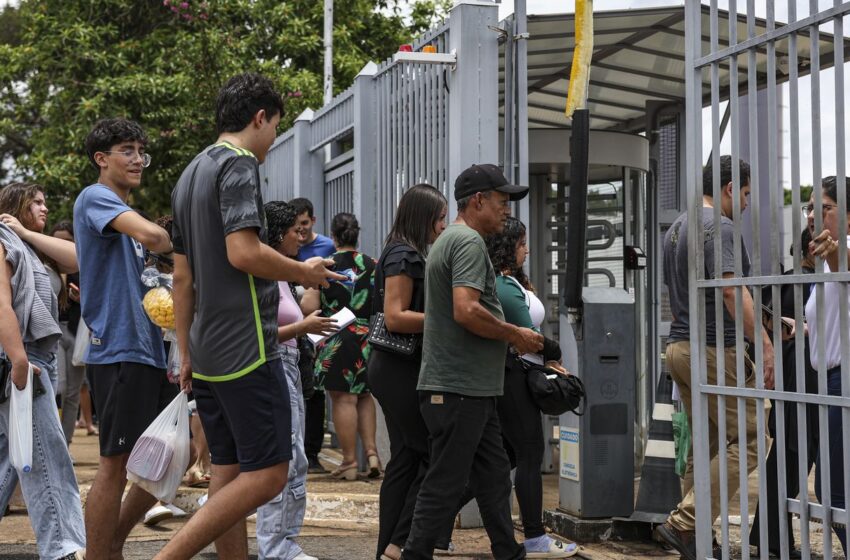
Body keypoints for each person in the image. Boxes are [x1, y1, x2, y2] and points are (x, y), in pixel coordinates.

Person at [162, 73, 341, 559]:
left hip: (207, 350)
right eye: (276, 127)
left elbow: (182, 279)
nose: (274, 139)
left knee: (229, 471)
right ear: (260, 118)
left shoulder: (190, 173)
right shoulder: (237, 163)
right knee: (269, 474)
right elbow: (243, 252)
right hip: (249, 347)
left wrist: (186, 352)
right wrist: (304, 272)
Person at [400, 163, 543, 560]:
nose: (506, 210)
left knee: (494, 477)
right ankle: (413, 554)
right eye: (501, 202)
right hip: (458, 388)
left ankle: (508, 552)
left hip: (471, 389)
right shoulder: (467, 242)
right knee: (444, 483)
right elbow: (466, 310)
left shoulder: (452, 238)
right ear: (478, 200)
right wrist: (515, 334)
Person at [655, 155, 775, 560]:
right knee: (754, 438)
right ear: (729, 188)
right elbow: (729, 290)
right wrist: (763, 343)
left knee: (705, 445)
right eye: (745, 193)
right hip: (712, 349)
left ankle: (696, 537)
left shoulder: (677, 227)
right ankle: (685, 521)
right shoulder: (719, 227)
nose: (746, 203)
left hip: (679, 347)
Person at [74, 117, 176, 559]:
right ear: (102, 159)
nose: (138, 160)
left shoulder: (119, 216)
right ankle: (100, 553)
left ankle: (112, 542)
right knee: (114, 465)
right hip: (118, 350)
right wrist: (177, 240)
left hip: (149, 350)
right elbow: (155, 235)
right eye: (127, 151)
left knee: (170, 456)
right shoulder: (96, 197)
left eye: (141, 152)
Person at [0, 181, 85, 560]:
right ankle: (62, 548)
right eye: (36, 202)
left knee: (11, 459)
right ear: (15, 205)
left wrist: (26, 232)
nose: (44, 208)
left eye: (45, 202)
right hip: (22, 356)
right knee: (47, 459)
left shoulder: (30, 245)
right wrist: (19, 360)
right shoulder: (4, 241)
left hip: (35, 357)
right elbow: (1, 303)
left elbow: (79, 258)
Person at [485, 217, 577, 559]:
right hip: (515, 378)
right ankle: (535, 538)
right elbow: (528, 337)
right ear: (507, 247)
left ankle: (435, 525)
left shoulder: (510, 281)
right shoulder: (503, 284)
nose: (527, 250)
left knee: (504, 457)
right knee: (529, 452)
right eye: (522, 244)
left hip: (518, 374)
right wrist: (553, 354)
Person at [367, 184, 448, 560]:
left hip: (393, 367)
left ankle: (389, 548)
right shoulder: (404, 255)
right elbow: (396, 317)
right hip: (398, 368)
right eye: (440, 218)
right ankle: (399, 542)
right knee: (433, 452)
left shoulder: (400, 251)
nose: (443, 226)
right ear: (423, 218)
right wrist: (445, 320)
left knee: (405, 458)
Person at [256, 200, 339, 560]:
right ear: (277, 235)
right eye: (295, 230)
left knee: (296, 457)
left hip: (289, 365)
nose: (301, 236)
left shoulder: (281, 273)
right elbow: (258, 333)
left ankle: (285, 541)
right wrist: (304, 327)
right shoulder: (263, 273)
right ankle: (275, 546)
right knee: (285, 458)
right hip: (276, 365)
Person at [750, 229, 818, 558]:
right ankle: (772, 538)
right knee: (792, 459)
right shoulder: (806, 283)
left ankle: (770, 537)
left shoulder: (784, 283)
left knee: (789, 458)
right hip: (804, 381)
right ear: (811, 248)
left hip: (791, 380)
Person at [302, 212, 381, 481]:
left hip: (336, 335)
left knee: (343, 399)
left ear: (334, 237)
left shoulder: (324, 265)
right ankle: (372, 453)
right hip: (365, 336)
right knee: (364, 395)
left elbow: (310, 306)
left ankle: (349, 461)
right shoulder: (373, 264)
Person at [805, 176, 849, 556]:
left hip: (843, 381)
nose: (812, 214)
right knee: (834, 489)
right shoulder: (821, 264)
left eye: (824, 208)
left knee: (833, 490)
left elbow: (845, 265)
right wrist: (799, 328)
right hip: (827, 380)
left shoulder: (840, 254)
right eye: (809, 207)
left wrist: (834, 254)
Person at [290, 197, 335, 474]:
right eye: (296, 227)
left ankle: (312, 451)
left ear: (313, 221)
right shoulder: (285, 249)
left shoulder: (327, 247)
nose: (301, 232)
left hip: (316, 326)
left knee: (315, 391)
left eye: (305, 224)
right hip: (293, 324)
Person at [49, 221, 90, 444]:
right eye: (58, 241)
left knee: (73, 392)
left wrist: (81, 299)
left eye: (68, 241)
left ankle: (65, 443)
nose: (62, 245)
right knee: (58, 388)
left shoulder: (83, 267)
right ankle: (54, 442)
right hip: (53, 335)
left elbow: (96, 301)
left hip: (76, 333)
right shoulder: (44, 267)